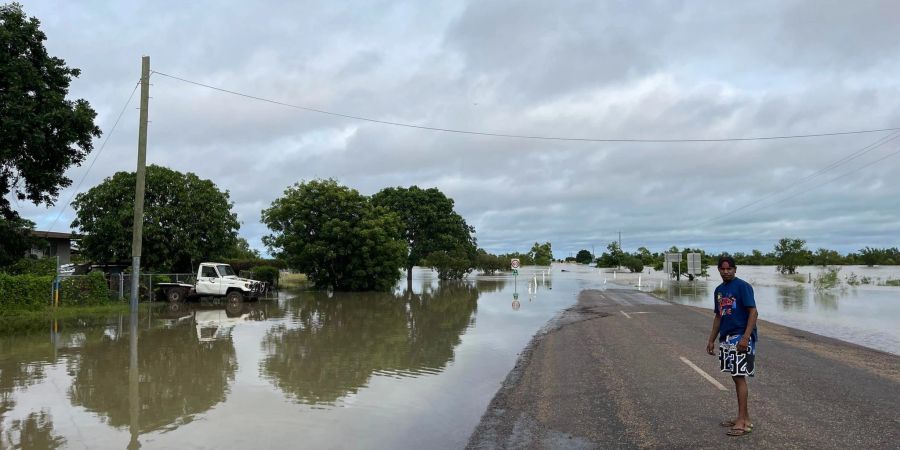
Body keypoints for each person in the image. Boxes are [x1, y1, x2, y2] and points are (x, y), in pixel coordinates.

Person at [706, 255, 758, 437]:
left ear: (735, 269)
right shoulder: (719, 290)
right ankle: (743, 418)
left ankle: (743, 422)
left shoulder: (743, 286)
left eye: (729, 269)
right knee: (735, 377)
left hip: (740, 338)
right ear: (719, 270)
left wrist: (745, 337)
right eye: (723, 269)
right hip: (726, 338)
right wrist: (711, 339)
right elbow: (719, 316)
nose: (726, 272)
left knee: (739, 377)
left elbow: (753, 312)